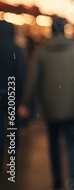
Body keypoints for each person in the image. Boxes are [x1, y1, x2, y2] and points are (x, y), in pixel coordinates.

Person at [19, 17, 74, 190]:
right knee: (73, 145)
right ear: (64, 30)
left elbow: (32, 79)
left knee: (54, 145)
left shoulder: (41, 52)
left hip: (51, 108)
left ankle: (56, 181)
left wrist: (25, 103)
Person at [0, 21, 26, 171]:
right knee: (12, 126)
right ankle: (11, 155)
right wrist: (21, 98)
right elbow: (21, 74)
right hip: (11, 93)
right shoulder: (15, 49)